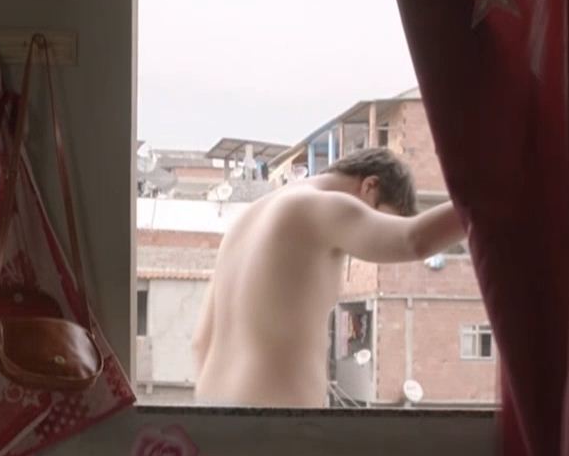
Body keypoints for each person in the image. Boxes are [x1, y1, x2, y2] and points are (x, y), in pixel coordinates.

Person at [191, 148, 468, 408]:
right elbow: (414, 239)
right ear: (369, 186)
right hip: (271, 422)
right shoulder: (322, 205)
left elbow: (200, 342)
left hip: (211, 414)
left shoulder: (245, 220)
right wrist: (486, 199)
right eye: (377, 219)